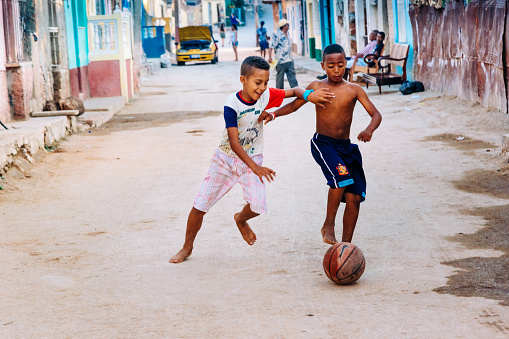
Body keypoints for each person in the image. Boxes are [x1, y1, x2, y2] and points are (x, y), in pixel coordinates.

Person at [169, 56, 334, 263]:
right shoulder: (232, 105)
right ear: (243, 80)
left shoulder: (265, 96)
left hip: (253, 158)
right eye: (258, 83)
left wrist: (309, 95)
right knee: (200, 206)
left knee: (257, 206)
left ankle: (240, 219)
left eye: (266, 82)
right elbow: (234, 142)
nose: (263, 88)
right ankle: (187, 247)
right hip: (225, 159)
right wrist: (255, 167)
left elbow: (295, 92)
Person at [259, 44, 382, 245]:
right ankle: (328, 224)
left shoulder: (354, 90)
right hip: (323, 144)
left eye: (341, 65)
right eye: (331, 66)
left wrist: (369, 129)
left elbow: (376, 114)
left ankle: (345, 247)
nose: (336, 70)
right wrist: (273, 114)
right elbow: (295, 105)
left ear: (346, 65)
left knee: (354, 198)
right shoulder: (316, 87)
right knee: (340, 178)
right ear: (323, 65)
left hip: (347, 148)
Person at [268, 19, 299, 89]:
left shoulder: (288, 33)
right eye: (287, 24)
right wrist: (270, 57)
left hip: (289, 60)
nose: (289, 26)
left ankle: (297, 91)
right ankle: (279, 93)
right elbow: (271, 46)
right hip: (280, 61)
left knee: (292, 77)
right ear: (284, 26)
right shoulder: (276, 35)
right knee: (280, 78)